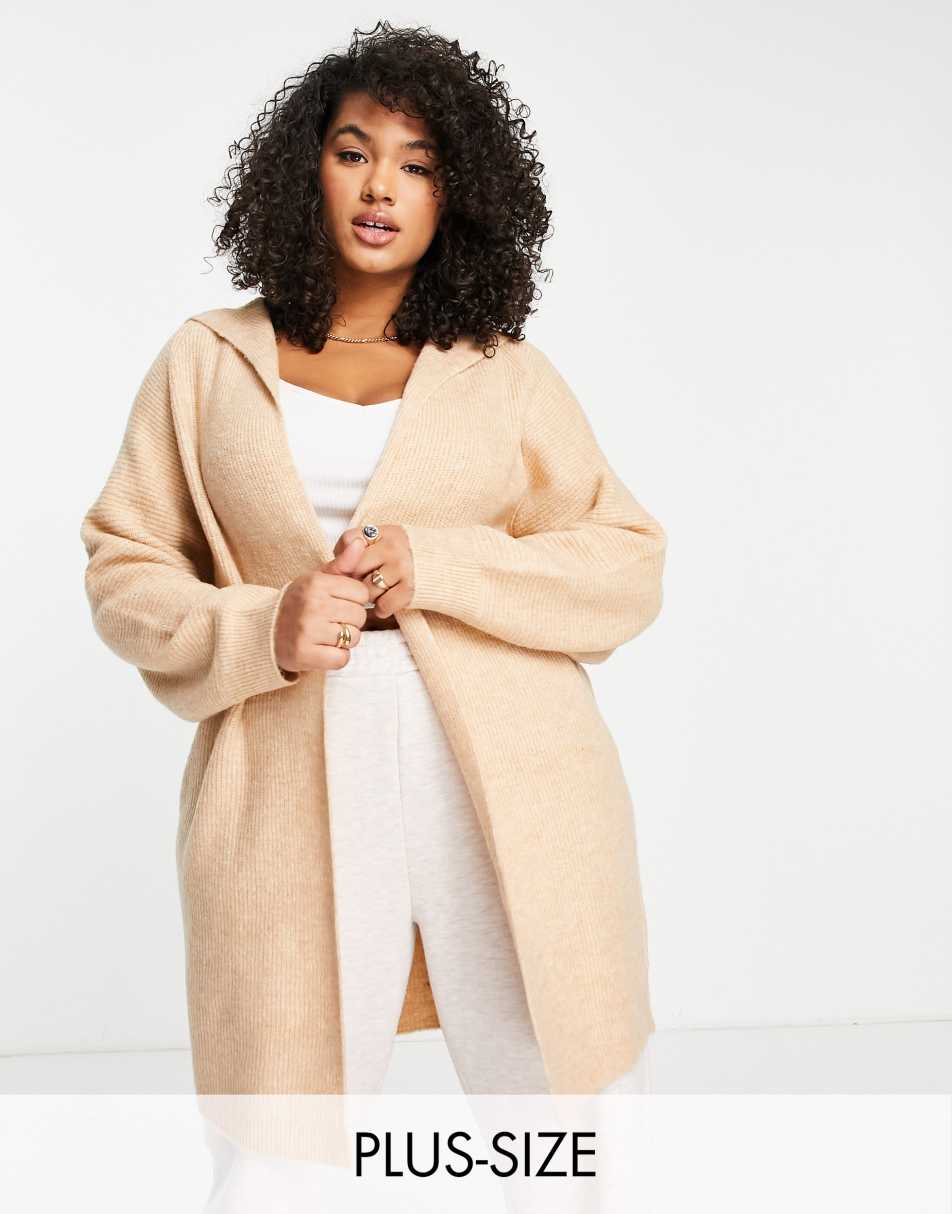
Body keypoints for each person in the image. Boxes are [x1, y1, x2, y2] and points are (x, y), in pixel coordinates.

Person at [80, 21, 664, 1212]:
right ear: (307, 167)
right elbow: (125, 565)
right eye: (354, 151)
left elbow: (624, 561)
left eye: (417, 163)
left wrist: (439, 563)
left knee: (558, 1119)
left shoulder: (502, 371)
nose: (381, 186)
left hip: (513, 771)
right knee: (276, 1141)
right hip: (283, 771)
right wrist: (262, 627)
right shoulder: (207, 362)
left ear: (459, 195)